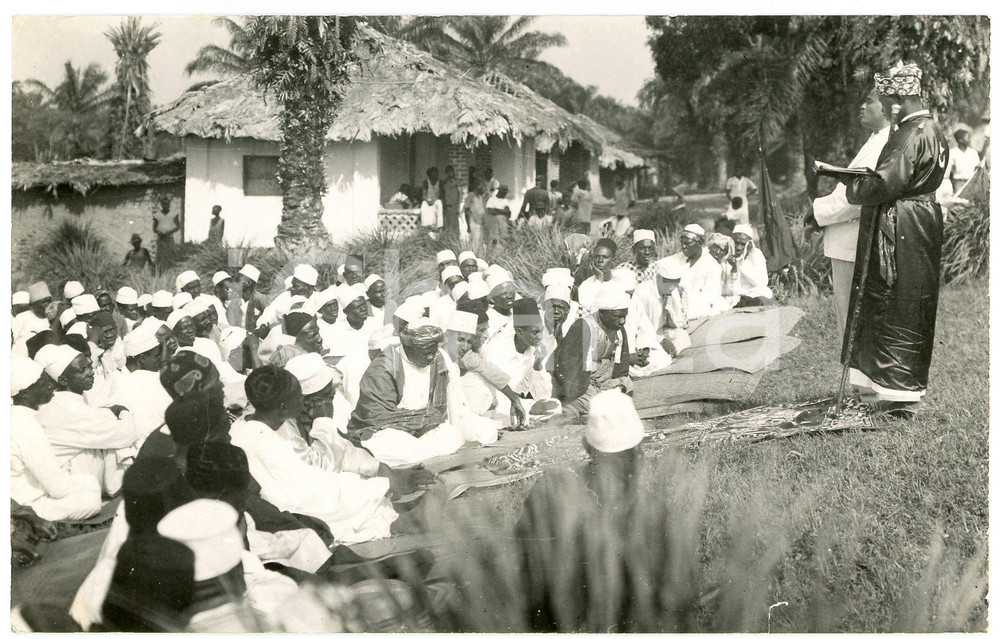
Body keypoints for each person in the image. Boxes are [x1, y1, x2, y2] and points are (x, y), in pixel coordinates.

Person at [840, 61, 950, 418]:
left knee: (893, 302)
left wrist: (851, 183)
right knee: (914, 303)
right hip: (922, 223)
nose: (886, 107)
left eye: (887, 100)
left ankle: (895, 393)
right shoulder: (933, 129)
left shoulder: (909, 133)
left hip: (900, 223)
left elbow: (885, 183)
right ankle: (903, 390)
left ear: (900, 97)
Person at [514, 389, 645, 632]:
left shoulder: (548, 489)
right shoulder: (648, 509)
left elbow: (521, 557)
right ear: (640, 452)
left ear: (586, 444)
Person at [230, 366, 399, 543]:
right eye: (298, 398)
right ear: (283, 407)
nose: (302, 402)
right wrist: (376, 487)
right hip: (287, 504)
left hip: (292, 491)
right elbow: (302, 490)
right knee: (366, 494)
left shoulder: (250, 425)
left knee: (357, 483)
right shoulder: (261, 438)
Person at [808, 86, 891, 335]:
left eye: (869, 102)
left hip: (853, 243)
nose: (862, 107)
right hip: (849, 241)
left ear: (885, 108)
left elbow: (856, 198)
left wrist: (817, 213)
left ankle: (855, 373)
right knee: (852, 319)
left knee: (853, 321)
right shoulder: (875, 140)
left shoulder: (882, 145)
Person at [34, 344, 137, 495]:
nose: (91, 372)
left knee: (107, 420)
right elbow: (126, 434)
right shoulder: (66, 406)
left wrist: (110, 412)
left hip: (68, 477)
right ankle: (116, 486)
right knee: (116, 434)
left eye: (89, 366)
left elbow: (96, 414)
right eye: (83, 370)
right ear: (63, 380)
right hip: (67, 483)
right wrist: (123, 412)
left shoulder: (66, 398)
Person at [11, 356, 103, 522]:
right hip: (27, 505)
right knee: (91, 500)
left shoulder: (16, 417)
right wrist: (89, 486)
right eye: (41, 383)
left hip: (25, 495)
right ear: (24, 394)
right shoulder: (26, 425)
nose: (50, 385)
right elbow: (58, 488)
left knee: (88, 482)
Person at [552, 284, 632, 419]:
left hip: (604, 382)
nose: (622, 321)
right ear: (602, 313)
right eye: (618, 316)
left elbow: (622, 365)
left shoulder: (618, 329)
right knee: (598, 406)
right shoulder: (584, 327)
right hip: (583, 384)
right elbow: (570, 370)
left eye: (624, 316)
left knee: (627, 385)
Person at [445, 308, 529, 428]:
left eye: (469, 341)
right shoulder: (437, 354)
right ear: (447, 336)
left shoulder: (467, 357)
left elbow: (491, 371)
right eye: (460, 339)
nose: (464, 346)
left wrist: (514, 399)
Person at [482, 297, 554, 414]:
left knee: (554, 407)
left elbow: (543, 395)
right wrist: (527, 407)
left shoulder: (533, 350)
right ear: (519, 331)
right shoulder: (497, 348)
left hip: (515, 403)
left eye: (541, 331)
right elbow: (494, 397)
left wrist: (538, 365)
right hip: (490, 405)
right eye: (535, 332)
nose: (540, 337)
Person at [657, 224, 726, 320]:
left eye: (688, 243)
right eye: (682, 243)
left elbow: (709, 296)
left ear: (699, 243)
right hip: (679, 303)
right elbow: (660, 264)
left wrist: (683, 302)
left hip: (698, 305)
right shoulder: (680, 257)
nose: (683, 247)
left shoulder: (712, 265)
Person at [630, 258, 693, 358]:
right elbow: (641, 327)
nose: (672, 286)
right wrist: (661, 341)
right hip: (644, 336)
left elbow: (677, 322)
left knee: (682, 336)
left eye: (676, 282)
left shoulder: (671, 291)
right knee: (655, 356)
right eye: (668, 282)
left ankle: (668, 354)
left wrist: (670, 304)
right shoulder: (643, 292)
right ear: (658, 278)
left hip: (660, 333)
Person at [730, 224, 775, 306]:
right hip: (733, 292)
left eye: (743, 244)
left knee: (766, 292)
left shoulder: (756, 254)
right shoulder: (727, 252)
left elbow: (762, 283)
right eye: (736, 242)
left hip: (751, 292)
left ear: (749, 243)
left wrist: (743, 261)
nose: (738, 247)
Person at [575, 237, 618, 312]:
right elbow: (586, 307)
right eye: (597, 257)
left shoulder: (620, 281)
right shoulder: (586, 285)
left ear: (613, 260)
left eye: (605, 257)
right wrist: (599, 279)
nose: (600, 260)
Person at [945, 122, 980, 194]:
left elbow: (978, 169)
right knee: (959, 203)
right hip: (958, 184)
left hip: (971, 183)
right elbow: (947, 172)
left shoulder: (973, 152)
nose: (970, 140)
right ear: (960, 140)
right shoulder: (952, 153)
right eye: (967, 138)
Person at [153, 197, 180, 266]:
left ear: (169, 204)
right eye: (164, 204)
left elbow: (178, 226)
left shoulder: (174, 214)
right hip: (161, 239)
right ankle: (161, 273)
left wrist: (169, 232)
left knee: (170, 256)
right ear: (161, 205)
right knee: (160, 257)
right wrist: (159, 233)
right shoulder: (157, 214)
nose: (166, 205)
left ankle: (169, 272)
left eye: (167, 204)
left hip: (169, 238)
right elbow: (154, 228)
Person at [463, 179, 487, 247]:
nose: (483, 188)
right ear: (477, 186)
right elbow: (466, 211)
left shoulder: (480, 197)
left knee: (480, 242)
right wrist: (468, 226)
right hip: (473, 221)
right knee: (474, 243)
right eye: (481, 186)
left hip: (480, 222)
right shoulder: (470, 196)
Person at [441, 165, 462, 238]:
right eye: (448, 172)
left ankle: (455, 244)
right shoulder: (444, 183)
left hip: (454, 207)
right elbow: (443, 195)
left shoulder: (457, 182)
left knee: (455, 227)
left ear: (453, 172)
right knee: (447, 227)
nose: (450, 173)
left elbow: (460, 194)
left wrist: (458, 207)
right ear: (446, 173)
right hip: (447, 207)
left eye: (451, 171)